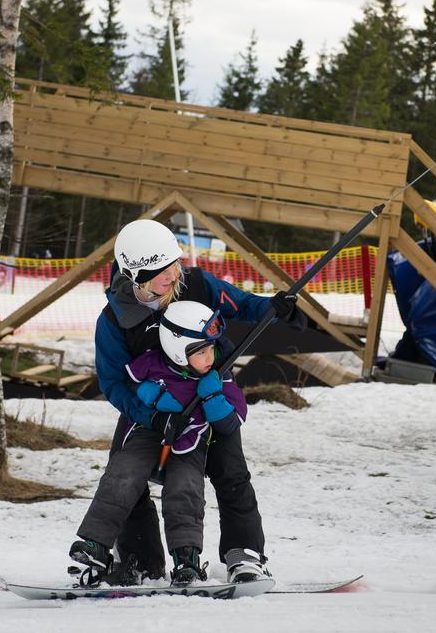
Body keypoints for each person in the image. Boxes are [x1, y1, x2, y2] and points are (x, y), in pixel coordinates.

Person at [93, 219, 306, 585]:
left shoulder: (197, 285)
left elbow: (242, 304)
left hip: (211, 396)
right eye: (161, 271)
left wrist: (276, 308)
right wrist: (152, 417)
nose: (173, 275)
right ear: (136, 275)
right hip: (151, 405)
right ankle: (140, 560)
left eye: (174, 263)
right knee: (124, 473)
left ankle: (245, 554)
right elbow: (113, 383)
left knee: (231, 470)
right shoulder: (115, 319)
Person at [70, 300, 248, 586]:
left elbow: (231, 423)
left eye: (211, 349)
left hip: (189, 444)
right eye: (200, 351)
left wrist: (214, 398)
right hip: (147, 434)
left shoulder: (218, 377)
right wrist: (151, 396)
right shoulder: (151, 363)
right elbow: (128, 382)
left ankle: (186, 559)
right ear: (178, 351)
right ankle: (96, 546)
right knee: (121, 476)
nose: (210, 357)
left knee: (185, 490)